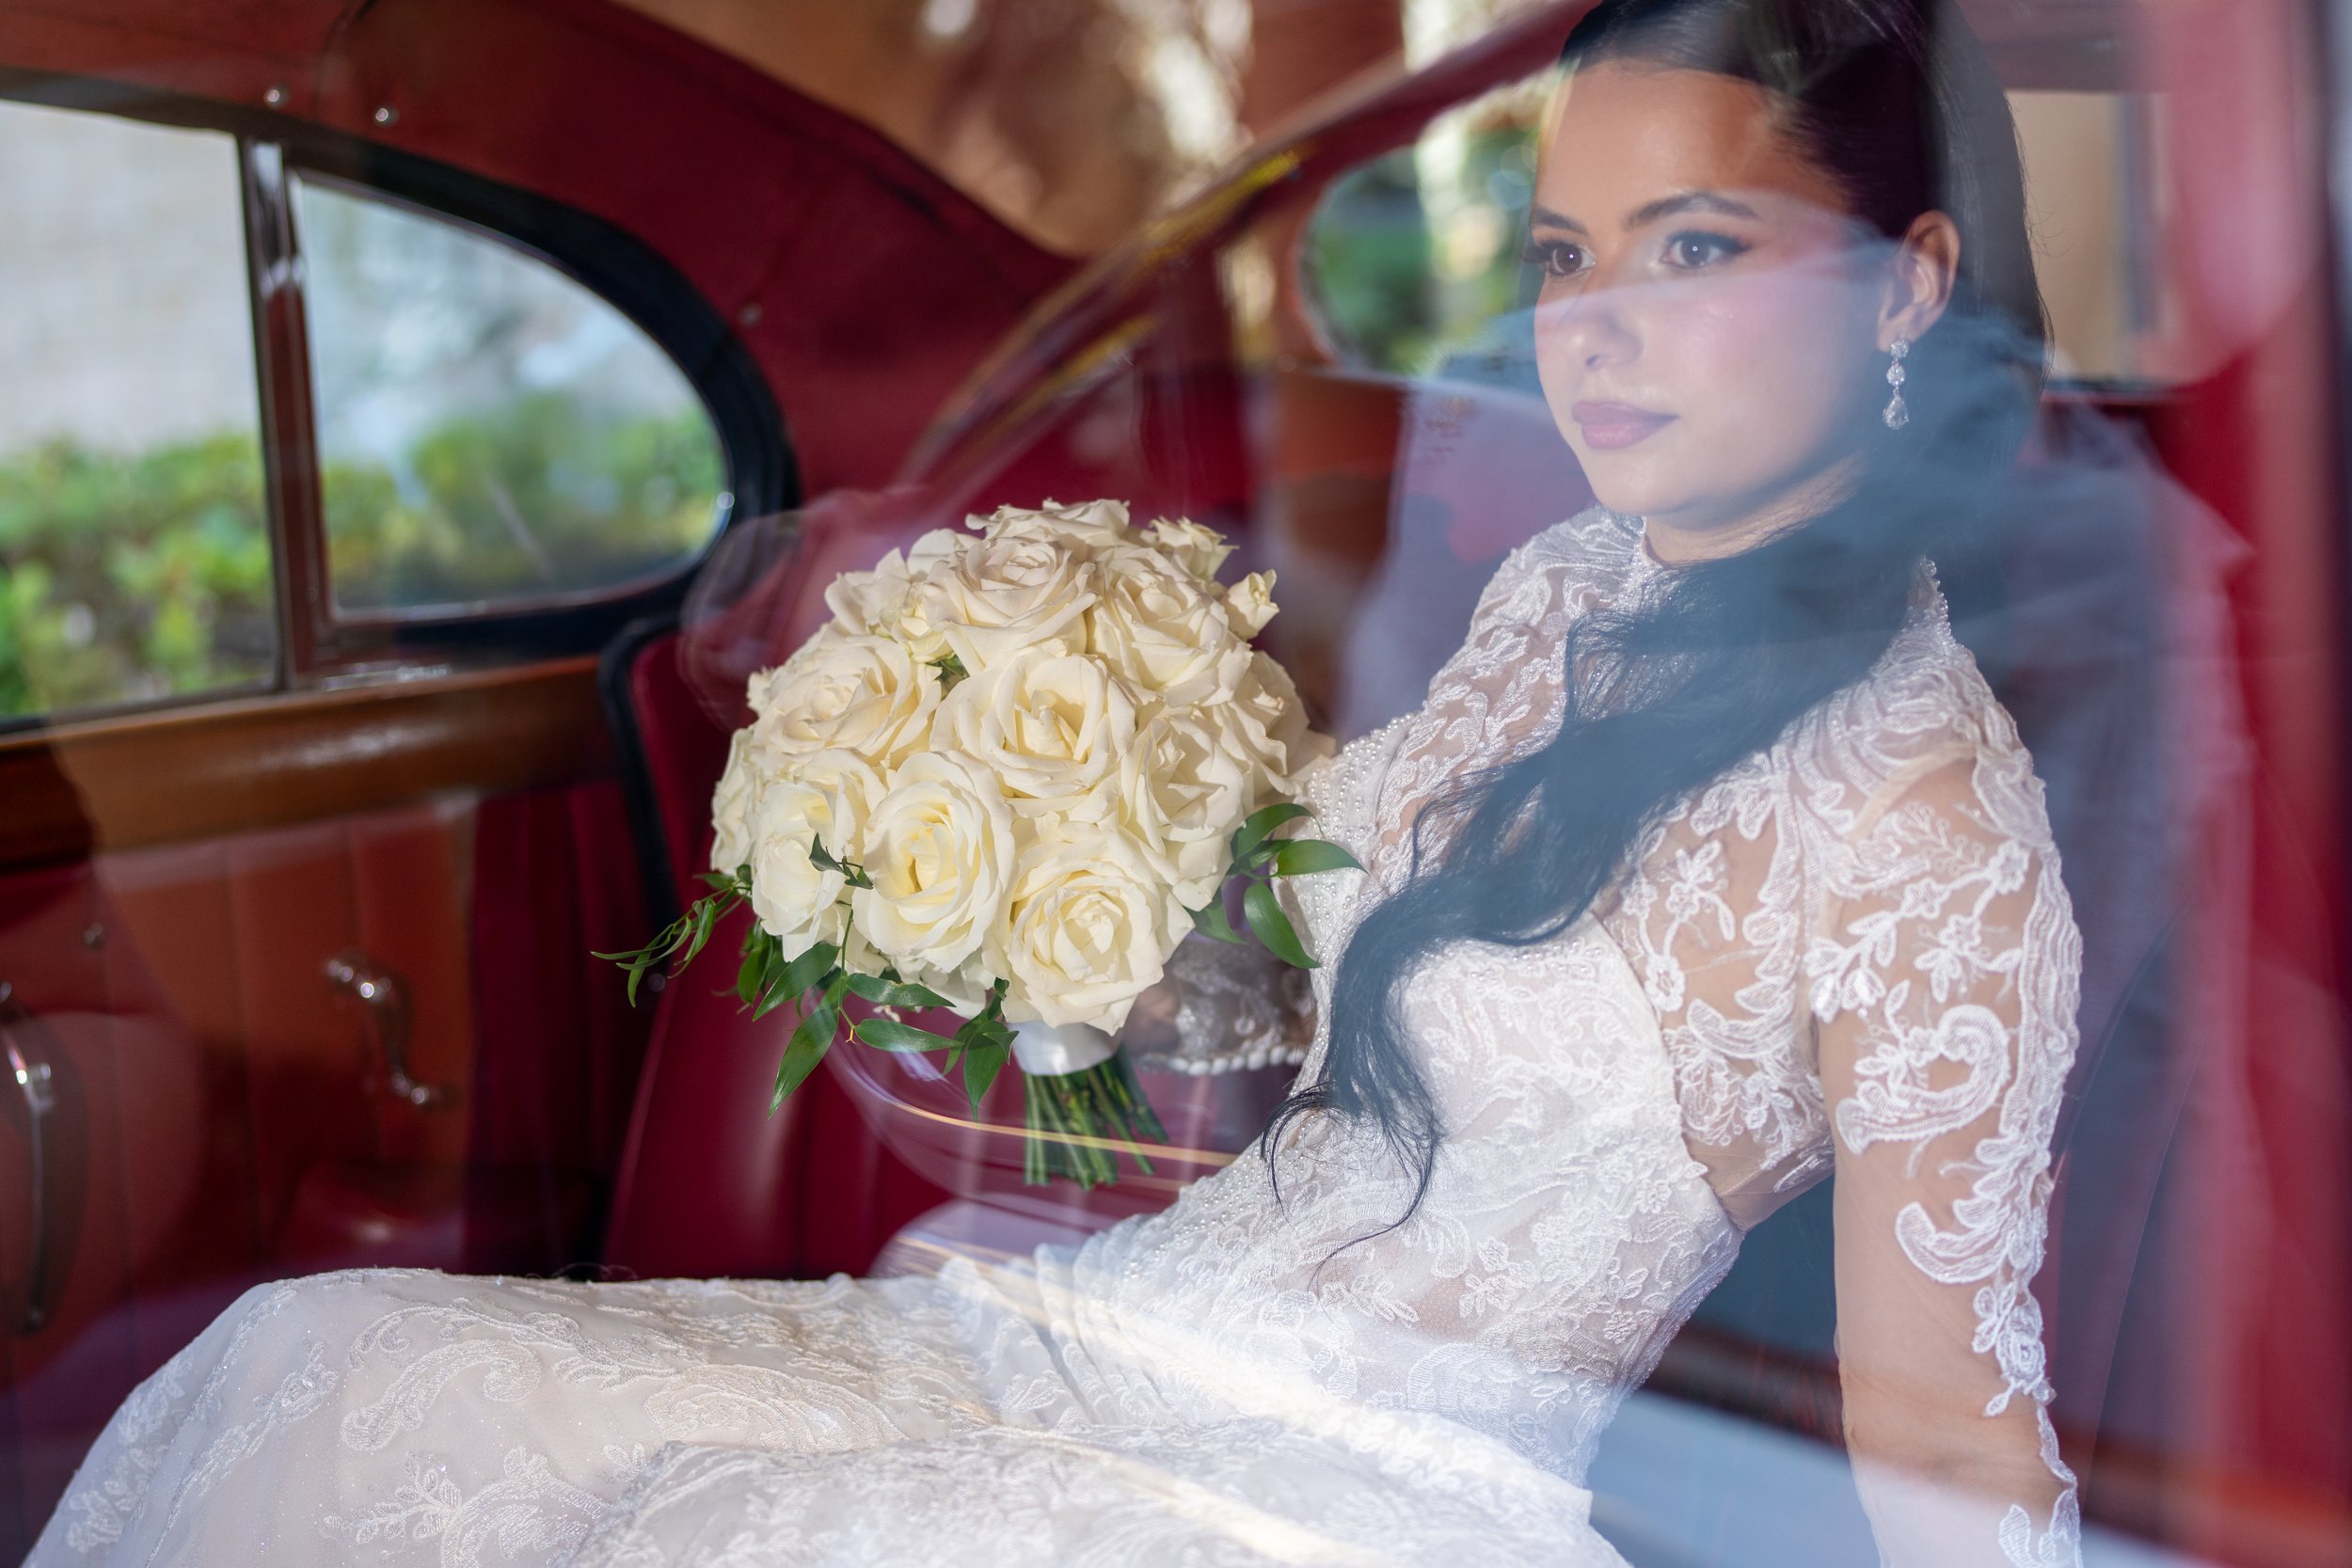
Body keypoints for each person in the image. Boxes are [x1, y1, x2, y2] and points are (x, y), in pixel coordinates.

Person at [28, 1, 2090, 1562]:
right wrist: (1031, 857)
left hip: (1326, 1498)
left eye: (1695, 252)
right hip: (1104, 1339)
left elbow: (1946, 1439)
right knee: (334, 1366)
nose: (1595, 336)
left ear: (1901, 284)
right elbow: (1303, 950)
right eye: (1560, 259)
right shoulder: (1563, 592)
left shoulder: (1927, 836)